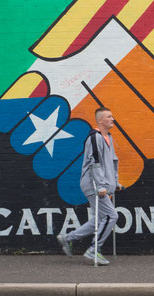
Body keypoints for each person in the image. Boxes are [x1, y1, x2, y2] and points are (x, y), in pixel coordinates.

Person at [57, 107, 121, 265]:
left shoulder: (109, 137)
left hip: (102, 184)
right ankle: (94, 250)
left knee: (99, 219)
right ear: (100, 120)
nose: (112, 119)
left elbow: (112, 162)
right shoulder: (94, 137)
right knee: (112, 216)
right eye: (109, 116)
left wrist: (115, 182)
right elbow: (95, 163)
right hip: (93, 184)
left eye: (112, 116)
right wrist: (100, 186)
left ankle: (68, 238)